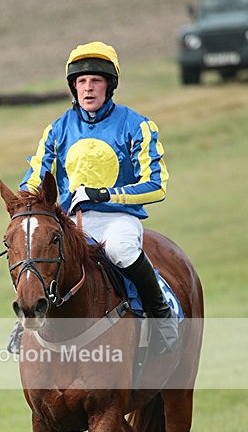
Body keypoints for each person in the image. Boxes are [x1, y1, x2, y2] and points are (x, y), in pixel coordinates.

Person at [19, 41, 177, 354]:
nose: (88, 89)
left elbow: (156, 186)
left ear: (109, 86)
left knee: (120, 250)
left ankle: (161, 316)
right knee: (35, 255)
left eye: (96, 81)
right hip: (68, 222)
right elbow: (34, 179)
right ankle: (23, 324)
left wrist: (104, 193)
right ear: (73, 87)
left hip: (118, 218)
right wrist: (25, 206)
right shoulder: (57, 130)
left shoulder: (137, 126)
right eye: (81, 82)